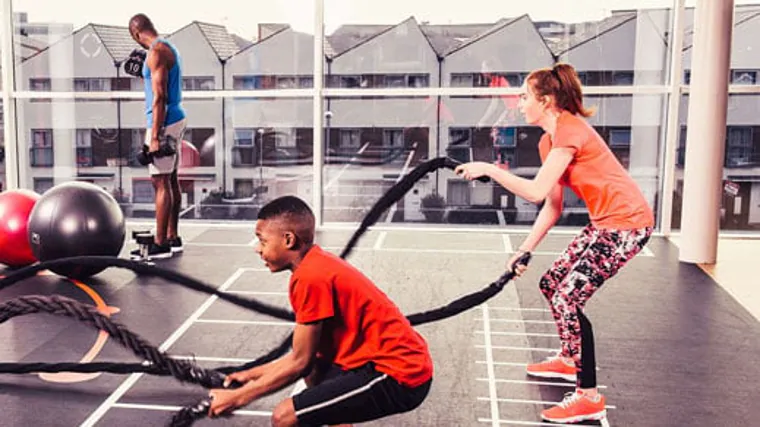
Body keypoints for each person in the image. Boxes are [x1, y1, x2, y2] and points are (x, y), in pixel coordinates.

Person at [455, 62, 653, 424]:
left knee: (567, 297)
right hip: (605, 224)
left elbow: (533, 191)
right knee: (551, 284)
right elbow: (552, 205)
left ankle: (588, 396)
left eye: (525, 96)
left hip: (627, 225)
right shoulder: (549, 141)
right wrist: (524, 249)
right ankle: (568, 358)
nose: (518, 103)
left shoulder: (569, 131)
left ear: (546, 101)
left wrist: (490, 168)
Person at [207, 196, 434, 426]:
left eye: (262, 241)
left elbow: (298, 363)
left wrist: (236, 398)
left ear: (288, 240)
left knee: (284, 416)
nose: (257, 249)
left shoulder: (310, 278)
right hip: (379, 362)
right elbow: (304, 358)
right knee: (316, 367)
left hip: (401, 375)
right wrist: (250, 375)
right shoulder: (314, 264)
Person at [128, 13, 185, 260]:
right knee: (170, 178)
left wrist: (154, 137)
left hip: (164, 122)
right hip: (175, 118)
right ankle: (172, 237)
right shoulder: (166, 47)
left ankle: (160, 243)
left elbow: (160, 97)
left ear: (136, 33)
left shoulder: (156, 52)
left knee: (160, 181)